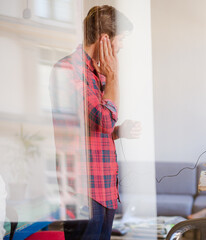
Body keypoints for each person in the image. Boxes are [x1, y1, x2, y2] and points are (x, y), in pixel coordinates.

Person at [51, 5, 140, 239]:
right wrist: (114, 75)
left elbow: (98, 128)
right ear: (104, 39)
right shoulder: (68, 70)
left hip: (104, 187)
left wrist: (119, 131)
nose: (121, 46)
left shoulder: (95, 73)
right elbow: (103, 118)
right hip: (84, 191)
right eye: (120, 39)